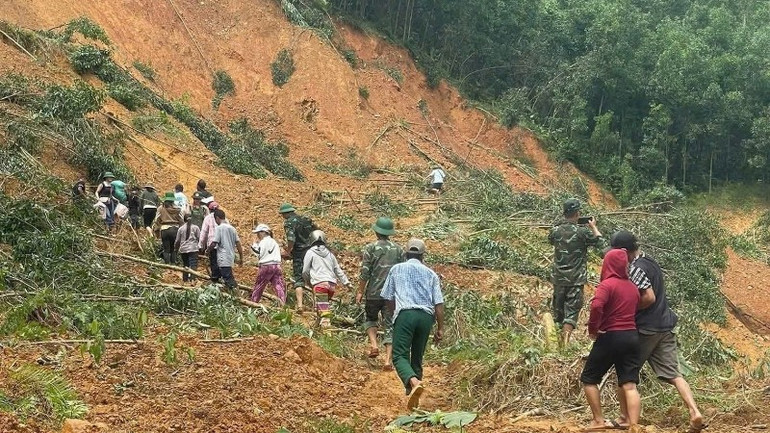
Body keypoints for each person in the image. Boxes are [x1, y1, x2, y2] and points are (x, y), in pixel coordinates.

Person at [610, 231, 705, 433]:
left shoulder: (635, 268)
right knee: (674, 374)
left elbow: (649, 297)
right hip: (665, 326)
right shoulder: (650, 261)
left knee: (625, 375)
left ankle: (625, 418)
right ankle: (694, 411)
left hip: (646, 328)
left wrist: (629, 309)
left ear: (624, 251)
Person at [580, 248, 642, 432]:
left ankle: (598, 421)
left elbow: (597, 305)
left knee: (589, 378)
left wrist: (593, 329)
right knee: (629, 384)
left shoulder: (606, 285)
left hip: (610, 336)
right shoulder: (632, 287)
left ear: (607, 264)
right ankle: (634, 425)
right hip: (631, 335)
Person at [381, 238, 444, 410]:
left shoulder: (397, 269)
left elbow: (387, 296)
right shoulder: (431, 274)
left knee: (399, 356)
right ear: (423, 255)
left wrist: (395, 313)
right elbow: (438, 303)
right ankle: (413, 400)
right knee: (417, 357)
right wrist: (440, 328)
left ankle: (415, 383)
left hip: (406, 314)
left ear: (405, 252)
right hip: (426, 317)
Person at [548, 198, 606, 346]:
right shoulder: (583, 232)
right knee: (571, 313)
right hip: (575, 279)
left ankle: (555, 344)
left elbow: (551, 240)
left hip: (558, 278)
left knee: (558, 313)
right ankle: (565, 344)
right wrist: (593, 227)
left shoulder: (555, 231)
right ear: (578, 213)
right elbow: (601, 245)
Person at [358, 217, 404, 369]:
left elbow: (365, 272)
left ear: (376, 231)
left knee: (370, 318)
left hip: (373, 293)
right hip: (391, 295)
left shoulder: (370, 248)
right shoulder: (399, 250)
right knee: (390, 325)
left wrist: (360, 291)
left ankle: (374, 345)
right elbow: (402, 272)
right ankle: (387, 361)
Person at [302, 230, 349, 327]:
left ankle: (327, 333)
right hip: (331, 286)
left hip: (319, 285)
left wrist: (309, 283)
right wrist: (347, 283)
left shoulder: (310, 252)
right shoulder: (330, 254)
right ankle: (316, 328)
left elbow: (305, 271)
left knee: (324, 313)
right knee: (322, 307)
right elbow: (337, 270)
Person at [280, 203, 318, 313]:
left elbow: (291, 239)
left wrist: (288, 250)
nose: (282, 217)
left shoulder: (289, 222)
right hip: (312, 252)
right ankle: (316, 306)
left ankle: (300, 306)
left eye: (282, 214)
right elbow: (317, 231)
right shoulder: (306, 219)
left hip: (299, 254)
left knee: (298, 279)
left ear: (286, 214)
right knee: (314, 279)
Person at [250, 224, 286, 304]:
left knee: (259, 286)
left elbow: (259, 254)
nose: (258, 235)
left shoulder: (263, 242)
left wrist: (254, 247)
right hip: (277, 266)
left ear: (263, 232)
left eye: (258, 233)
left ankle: (253, 303)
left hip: (266, 266)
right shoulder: (274, 242)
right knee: (279, 286)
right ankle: (283, 304)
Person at [208, 209, 243, 289]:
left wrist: (208, 250)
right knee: (224, 275)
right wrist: (241, 258)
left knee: (228, 278)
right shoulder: (232, 229)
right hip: (230, 257)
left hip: (223, 257)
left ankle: (236, 294)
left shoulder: (219, 228)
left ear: (217, 218)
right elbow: (238, 244)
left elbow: (214, 242)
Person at [154, 192, 183, 265]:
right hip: (175, 229)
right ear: (173, 200)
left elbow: (157, 219)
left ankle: (167, 265)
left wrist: (156, 229)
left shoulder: (161, 208)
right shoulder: (178, 209)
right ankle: (173, 263)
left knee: (166, 249)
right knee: (173, 249)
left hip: (165, 229)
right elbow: (181, 220)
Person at [199, 201, 222, 283]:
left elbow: (204, 232)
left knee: (214, 261)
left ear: (209, 209)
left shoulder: (207, 218)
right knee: (221, 261)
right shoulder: (223, 217)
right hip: (222, 244)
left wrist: (201, 245)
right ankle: (221, 277)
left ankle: (215, 279)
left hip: (212, 244)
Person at [175, 214, 201, 284]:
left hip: (183, 249)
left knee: (185, 264)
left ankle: (185, 280)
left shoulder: (181, 229)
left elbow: (177, 241)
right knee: (193, 264)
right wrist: (200, 247)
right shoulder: (196, 228)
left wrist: (176, 249)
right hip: (193, 248)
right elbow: (199, 238)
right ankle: (193, 279)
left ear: (184, 220)